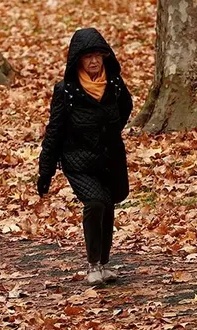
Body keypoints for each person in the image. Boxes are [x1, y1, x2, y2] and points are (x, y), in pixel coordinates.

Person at [37, 28, 133, 286]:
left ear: (105, 57)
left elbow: (126, 108)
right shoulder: (66, 91)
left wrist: (109, 134)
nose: (93, 61)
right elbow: (54, 131)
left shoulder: (114, 84)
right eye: (87, 56)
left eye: (98, 55)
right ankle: (93, 265)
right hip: (77, 161)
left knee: (109, 203)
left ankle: (104, 263)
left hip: (109, 159)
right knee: (96, 202)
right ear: (77, 60)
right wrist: (45, 172)